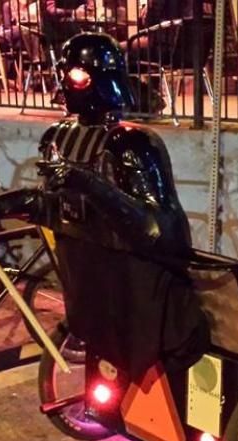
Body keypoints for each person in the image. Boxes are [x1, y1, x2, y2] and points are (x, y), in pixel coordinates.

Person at [38, 32, 209, 376]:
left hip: (140, 288)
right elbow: (49, 205)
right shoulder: (58, 136)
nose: (68, 85)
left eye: (78, 76)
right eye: (65, 74)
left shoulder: (133, 143)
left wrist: (87, 183)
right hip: (93, 281)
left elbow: (159, 228)